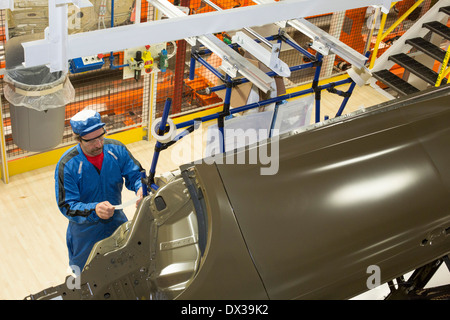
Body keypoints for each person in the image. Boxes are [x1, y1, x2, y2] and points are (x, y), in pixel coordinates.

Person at [55, 109, 144, 271]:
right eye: (91, 141)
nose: (98, 144)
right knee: (86, 279)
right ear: (78, 139)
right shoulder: (67, 165)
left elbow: (137, 175)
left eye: (101, 137)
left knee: (126, 271)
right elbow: (67, 206)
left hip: (117, 224)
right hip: (84, 236)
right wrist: (94, 209)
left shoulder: (117, 150)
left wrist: (141, 189)